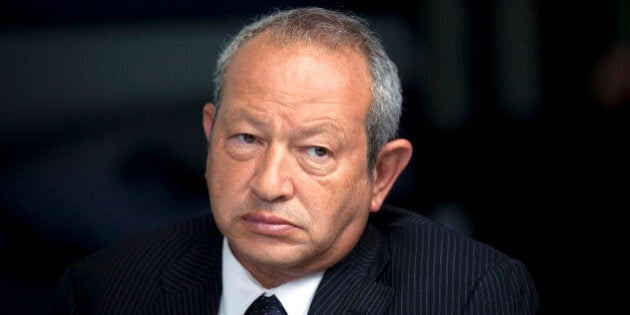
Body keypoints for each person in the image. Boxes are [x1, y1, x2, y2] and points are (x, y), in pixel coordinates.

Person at [53, 7, 539, 314]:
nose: (268, 184)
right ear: (210, 136)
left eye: (316, 151)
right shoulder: (104, 289)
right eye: (246, 138)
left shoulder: (469, 295)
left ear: (380, 174)